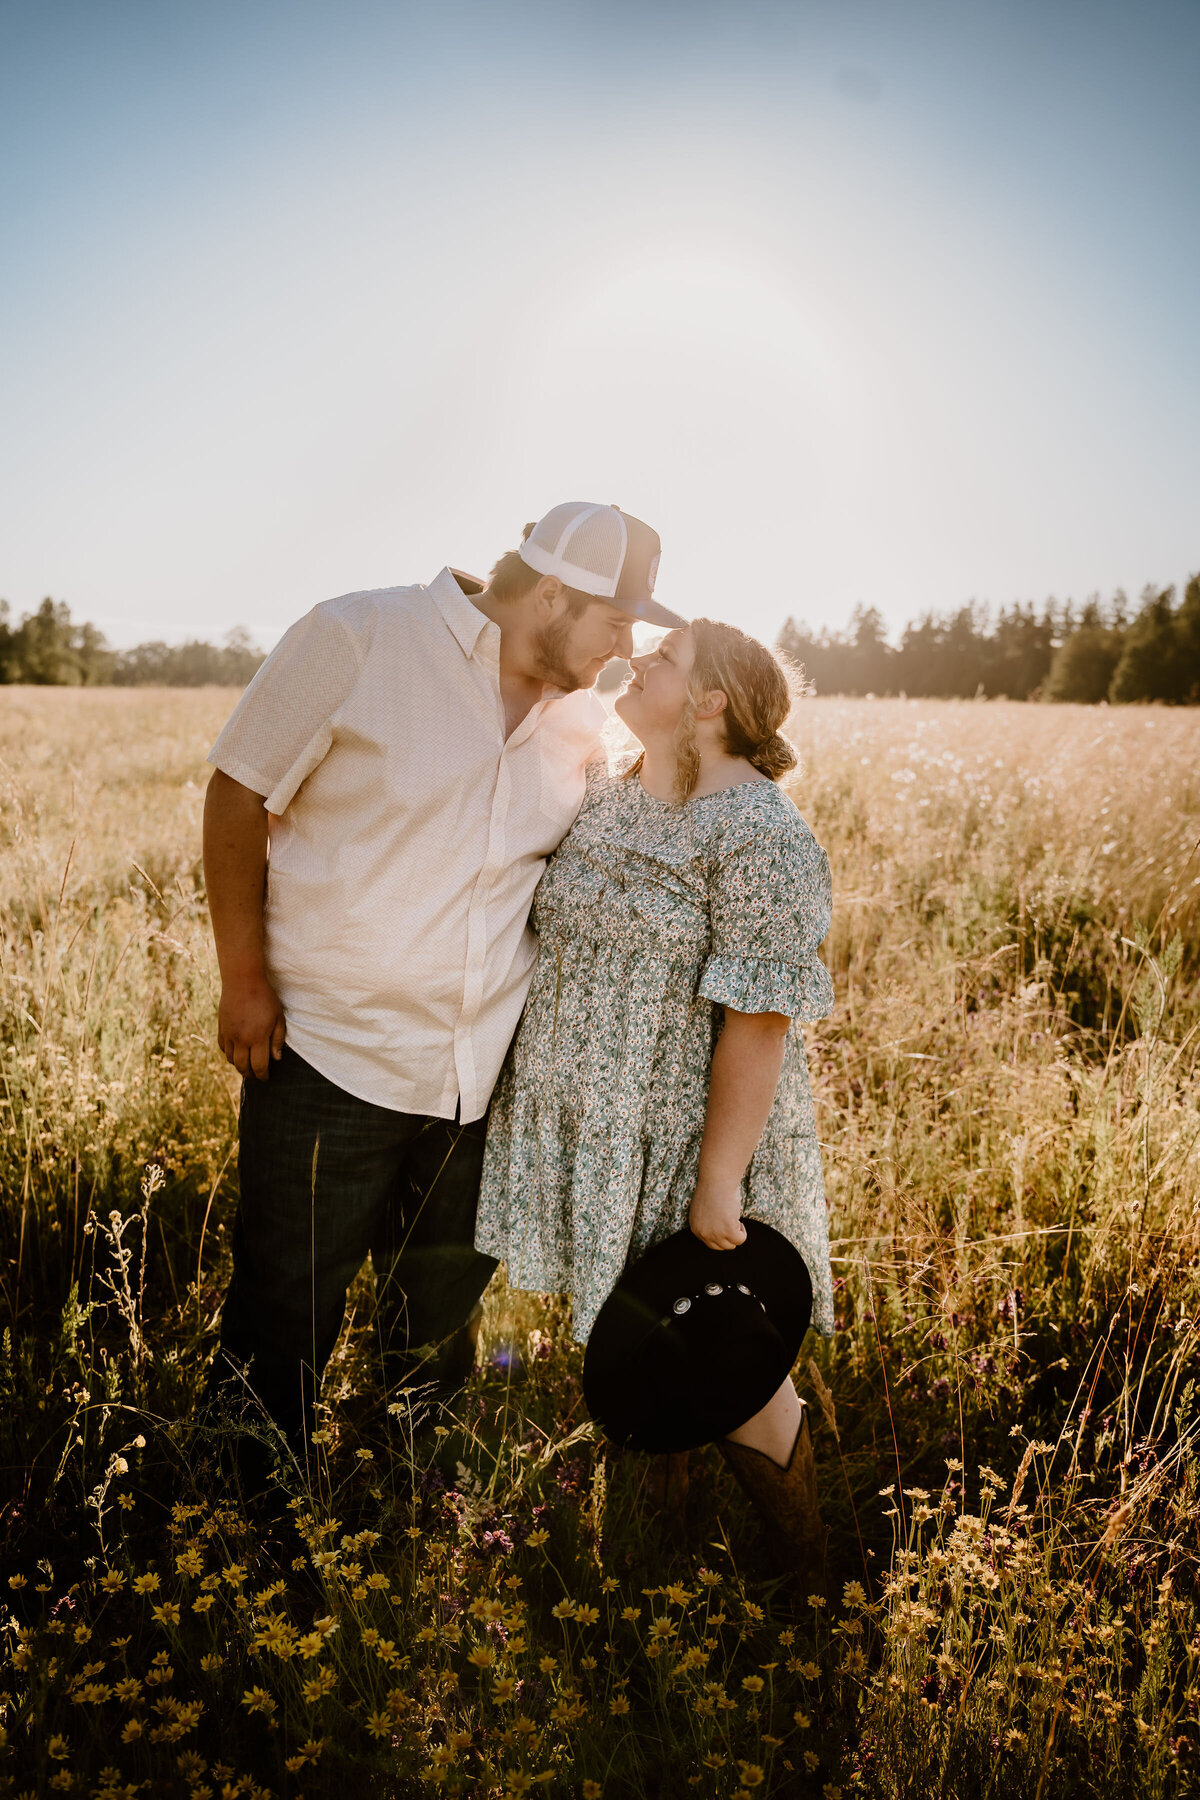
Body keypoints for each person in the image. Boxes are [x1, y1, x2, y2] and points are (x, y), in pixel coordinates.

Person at [201, 502, 684, 1472]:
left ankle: (404, 1496)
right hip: (329, 1058)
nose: (627, 650)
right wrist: (244, 979)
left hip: (478, 1082)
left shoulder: (583, 718)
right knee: (284, 1309)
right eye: (616, 622)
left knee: (434, 1322)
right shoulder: (358, 635)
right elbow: (238, 788)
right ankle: (246, 1515)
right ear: (551, 593)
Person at [475, 617, 834, 1562]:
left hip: (682, 1136)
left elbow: (760, 1023)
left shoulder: (761, 832)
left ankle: (814, 1581)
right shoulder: (616, 785)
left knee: (728, 1347)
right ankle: (650, 1555)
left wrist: (719, 1182)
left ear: (710, 702)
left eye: (665, 660)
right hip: (596, 1123)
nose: (638, 663)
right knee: (634, 1336)